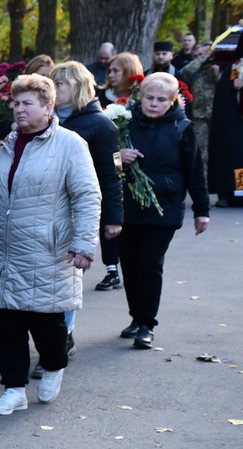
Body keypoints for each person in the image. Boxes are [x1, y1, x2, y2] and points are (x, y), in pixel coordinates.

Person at [0, 74, 100, 415]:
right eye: (16, 103)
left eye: (27, 103)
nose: (18, 109)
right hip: (4, 246)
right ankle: (13, 388)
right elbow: (4, 189)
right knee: (7, 320)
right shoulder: (9, 143)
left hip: (47, 247)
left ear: (48, 107)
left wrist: (84, 244)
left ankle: (54, 364)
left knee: (46, 321)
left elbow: (88, 195)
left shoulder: (70, 144)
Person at [117, 72, 211, 349]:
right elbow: (104, 161)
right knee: (130, 265)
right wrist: (118, 157)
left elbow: (195, 172)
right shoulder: (123, 124)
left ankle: (147, 324)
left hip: (164, 209)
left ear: (172, 102)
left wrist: (201, 210)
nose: (154, 104)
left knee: (150, 264)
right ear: (140, 97)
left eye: (161, 100)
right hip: (128, 207)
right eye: (149, 98)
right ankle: (136, 316)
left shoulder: (182, 128)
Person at [46, 61, 123, 371]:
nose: (53, 91)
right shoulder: (46, 120)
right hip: (45, 211)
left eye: (59, 85)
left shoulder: (100, 126)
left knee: (67, 279)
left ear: (76, 88)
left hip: (76, 213)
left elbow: (112, 174)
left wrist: (113, 218)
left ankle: (62, 337)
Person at [208, 29, 243, 207]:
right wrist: (236, 86)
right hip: (235, 124)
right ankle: (235, 193)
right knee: (237, 160)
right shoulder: (238, 65)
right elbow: (232, 87)